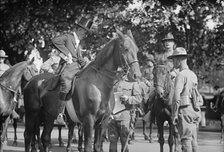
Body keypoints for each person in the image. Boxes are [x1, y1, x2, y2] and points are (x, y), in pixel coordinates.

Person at [51, 16, 93, 124]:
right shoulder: (67, 37)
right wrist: (66, 53)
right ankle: (60, 114)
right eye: (85, 32)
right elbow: (55, 40)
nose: (85, 35)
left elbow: (78, 57)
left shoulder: (78, 42)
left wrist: (87, 62)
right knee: (66, 83)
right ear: (79, 30)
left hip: (78, 66)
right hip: (68, 67)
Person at [169, 47, 201, 152]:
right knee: (193, 139)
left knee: (185, 139)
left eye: (173, 59)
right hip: (195, 110)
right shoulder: (193, 74)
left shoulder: (180, 75)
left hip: (185, 110)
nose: (173, 62)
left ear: (178, 59)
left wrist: (174, 114)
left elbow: (176, 97)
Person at [108, 72, 147, 152]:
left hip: (125, 116)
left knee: (124, 141)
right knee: (112, 141)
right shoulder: (111, 82)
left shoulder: (133, 83)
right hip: (111, 117)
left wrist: (127, 98)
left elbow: (139, 98)